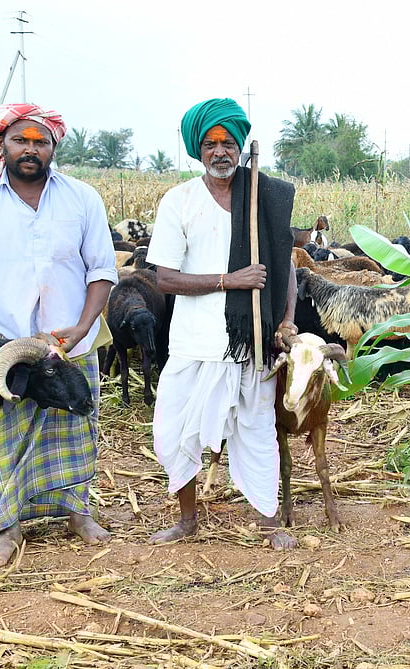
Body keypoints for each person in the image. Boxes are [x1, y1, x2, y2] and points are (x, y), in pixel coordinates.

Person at [0, 103, 119, 567]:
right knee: (2, 436)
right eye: (21, 140)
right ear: (2, 145)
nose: (31, 149)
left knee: (76, 427)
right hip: (5, 348)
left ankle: (77, 512)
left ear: (54, 146)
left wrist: (81, 327)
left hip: (71, 340)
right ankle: (8, 525)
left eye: (41, 141)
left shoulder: (82, 198)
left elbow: (101, 269)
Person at [146, 98, 299, 549]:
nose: (220, 151)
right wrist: (229, 281)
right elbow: (166, 279)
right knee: (175, 431)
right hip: (195, 342)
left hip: (253, 341)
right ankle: (188, 520)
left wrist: (287, 320)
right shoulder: (180, 202)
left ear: (239, 147)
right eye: (211, 143)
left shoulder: (262, 199)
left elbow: (284, 268)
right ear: (199, 150)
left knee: (255, 430)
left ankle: (269, 522)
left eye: (228, 142)